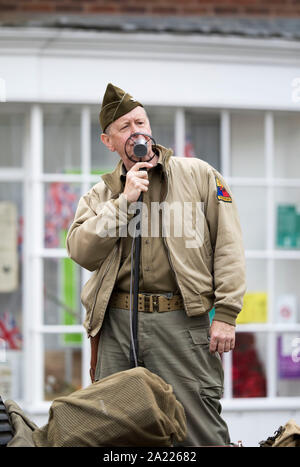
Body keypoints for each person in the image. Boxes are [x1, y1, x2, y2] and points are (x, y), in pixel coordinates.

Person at [66, 83, 246, 447]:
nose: (137, 132)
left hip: (181, 322)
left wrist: (226, 313)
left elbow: (229, 246)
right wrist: (124, 200)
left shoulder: (198, 176)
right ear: (108, 141)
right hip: (118, 325)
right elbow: (81, 251)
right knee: (114, 431)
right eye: (125, 127)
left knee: (198, 427)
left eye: (140, 122)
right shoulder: (101, 195)